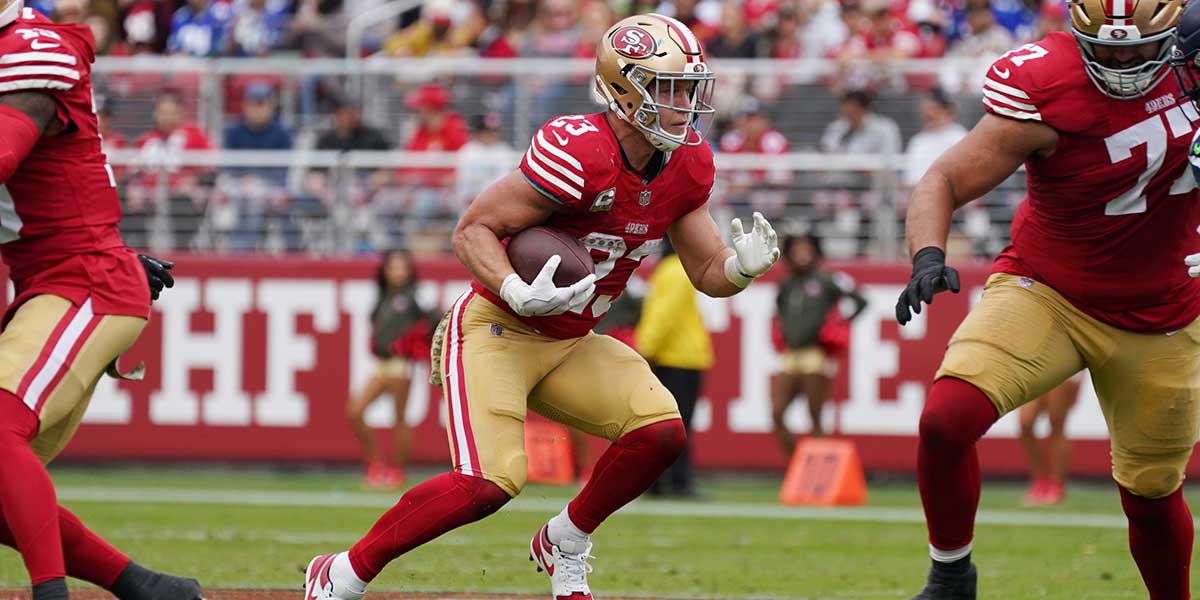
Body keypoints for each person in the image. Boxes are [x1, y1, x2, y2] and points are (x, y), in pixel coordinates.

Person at [303, 14, 780, 600]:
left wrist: (740, 269)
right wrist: (513, 288)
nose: (685, 103)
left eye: (689, 88)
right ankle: (343, 573)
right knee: (488, 483)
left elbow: (707, 270)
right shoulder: (580, 150)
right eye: (668, 88)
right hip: (498, 328)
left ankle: (565, 540)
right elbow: (473, 229)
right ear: (624, 90)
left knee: (660, 433)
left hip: (571, 340)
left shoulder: (686, 164)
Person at [895, 0, 1198, 597]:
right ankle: (951, 573)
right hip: (1049, 290)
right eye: (1105, 48)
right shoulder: (1046, 83)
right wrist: (928, 254)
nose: (1120, 61)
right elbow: (945, 178)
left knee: (1152, 495)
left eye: (1135, 49)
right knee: (945, 420)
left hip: (1160, 312)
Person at [0, 4, 204, 600]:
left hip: (82, 279)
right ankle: (147, 588)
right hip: (49, 280)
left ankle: (51, 593)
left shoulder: (29, 47)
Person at [771, 233, 866, 451]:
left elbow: (860, 299)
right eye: (796, 250)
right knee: (777, 413)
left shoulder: (827, 279)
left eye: (806, 249)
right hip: (791, 355)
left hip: (816, 355)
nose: (801, 255)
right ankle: (798, 463)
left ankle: (817, 471)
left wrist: (841, 324)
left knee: (815, 417)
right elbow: (779, 310)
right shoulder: (787, 284)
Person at [346, 250, 431, 489]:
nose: (398, 272)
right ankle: (376, 466)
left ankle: (397, 471)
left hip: (399, 365)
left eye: (402, 267)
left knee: (399, 419)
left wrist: (414, 344)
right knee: (355, 411)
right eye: (393, 267)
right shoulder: (384, 296)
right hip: (381, 364)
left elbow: (434, 320)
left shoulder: (415, 296)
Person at [636, 239, 714, 499]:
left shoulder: (666, 270)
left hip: (670, 356)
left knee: (663, 422)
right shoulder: (679, 271)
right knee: (679, 425)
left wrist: (648, 347)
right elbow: (664, 316)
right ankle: (678, 482)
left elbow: (658, 314)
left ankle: (657, 482)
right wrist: (648, 349)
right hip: (680, 359)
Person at [1017, 375, 1081, 506]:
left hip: (1065, 367)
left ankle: (1056, 485)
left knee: (1056, 423)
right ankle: (1041, 482)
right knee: (1025, 423)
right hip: (1035, 366)